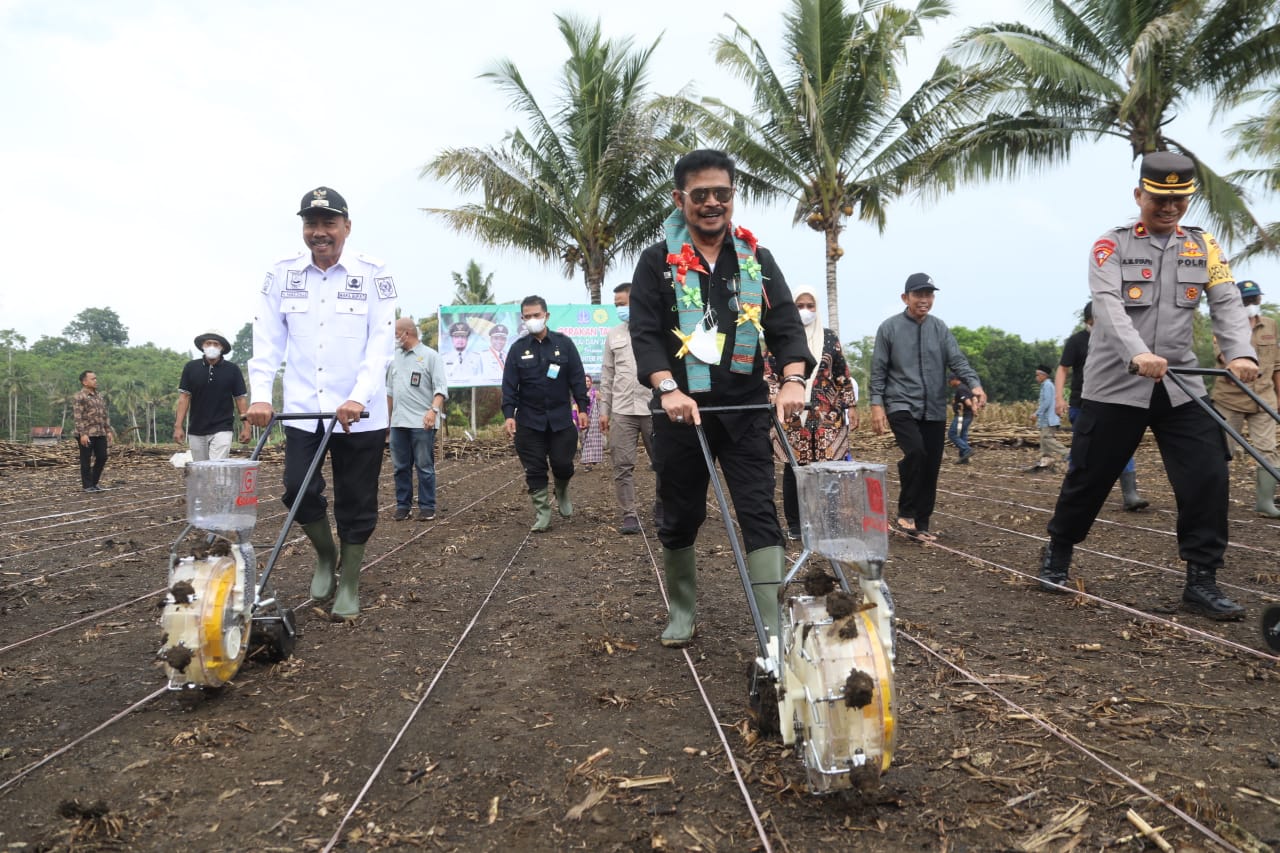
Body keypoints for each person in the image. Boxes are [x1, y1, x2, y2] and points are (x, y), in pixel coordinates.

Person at [1039, 152, 1256, 621]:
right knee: (1089, 477)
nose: (1170, 207)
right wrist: (1137, 353)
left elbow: (1226, 302)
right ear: (1140, 195)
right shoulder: (1110, 246)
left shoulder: (1205, 248)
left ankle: (1202, 581)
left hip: (1180, 385)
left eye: (1179, 199)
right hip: (1116, 385)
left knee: (1208, 477)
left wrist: (1240, 352)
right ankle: (1058, 552)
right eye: (1160, 198)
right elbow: (1109, 306)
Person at [629, 148, 813, 648]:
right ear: (680, 199)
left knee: (759, 511)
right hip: (681, 413)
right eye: (701, 194)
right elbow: (645, 335)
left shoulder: (756, 258)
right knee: (682, 510)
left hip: (746, 410)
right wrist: (667, 388)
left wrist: (793, 380)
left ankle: (772, 626)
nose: (712, 203)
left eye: (722, 194)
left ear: (733, 197)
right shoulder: (656, 263)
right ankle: (683, 608)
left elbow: (785, 329)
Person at [246, 186, 397, 621]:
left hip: (359, 414)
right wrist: (260, 396)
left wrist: (358, 396)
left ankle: (349, 580)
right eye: (311, 224)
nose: (319, 232)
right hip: (303, 410)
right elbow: (268, 341)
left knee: (356, 500)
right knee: (297, 491)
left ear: (346, 227)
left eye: (328, 223)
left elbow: (380, 344)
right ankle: (325, 554)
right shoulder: (282, 275)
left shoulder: (373, 274)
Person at [869, 274, 986, 542]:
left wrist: (975, 385)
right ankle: (906, 511)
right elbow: (878, 371)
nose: (924, 300)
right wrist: (877, 405)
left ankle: (920, 525)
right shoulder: (889, 328)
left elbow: (958, 361)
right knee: (916, 453)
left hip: (933, 407)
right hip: (900, 403)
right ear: (905, 298)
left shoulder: (939, 328)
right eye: (918, 294)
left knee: (931, 466)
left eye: (929, 295)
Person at [766, 284, 857, 540]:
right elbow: (769, 374)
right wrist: (776, 396)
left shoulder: (830, 338)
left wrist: (851, 405)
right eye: (799, 305)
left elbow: (841, 375)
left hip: (827, 417)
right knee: (795, 470)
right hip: (793, 417)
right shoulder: (780, 339)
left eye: (810, 305)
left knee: (828, 471)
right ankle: (796, 526)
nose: (805, 310)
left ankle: (829, 523)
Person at [502, 295, 590, 531]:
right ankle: (542, 513)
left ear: (546, 316)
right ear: (522, 319)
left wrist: (583, 408)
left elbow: (577, 379)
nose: (532, 320)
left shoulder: (564, 344)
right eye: (527, 317)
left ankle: (561, 489)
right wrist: (509, 415)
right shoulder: (518, 349)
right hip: (529, 421)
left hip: (561, 419)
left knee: (563, 464)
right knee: (535, 468)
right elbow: (509, 386)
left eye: (536, 315)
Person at [1055, 301, 1148, 510]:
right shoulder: (1077, 341)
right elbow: (1063, 369)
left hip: (1117, 400)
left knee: (1124, 446)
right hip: (1083, 403)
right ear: (1090, 320)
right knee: (1084, 450)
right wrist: (1059, 398)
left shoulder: (1125, 340)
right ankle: (1074, 497)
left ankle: (1130, 494)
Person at [1211, 280, 1280, 517]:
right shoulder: (1223, 327)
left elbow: (1277, 364)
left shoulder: (1270, 325)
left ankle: (1265, 502)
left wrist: (1279, 397)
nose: (1251, 303)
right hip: (1230, 400)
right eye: (1246, 299)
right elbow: (1223, 358)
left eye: (1254, 298)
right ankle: (1212, 501)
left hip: (1264, 399)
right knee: (1221, 450)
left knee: (1268, 449)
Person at [599, 282, 662, 535]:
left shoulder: (657, 330)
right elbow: (607, 374)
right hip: (623, 410)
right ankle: (629, 514)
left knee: (663, 462)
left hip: (654, 408)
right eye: (617, 305)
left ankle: (663, 506)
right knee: (622, 464)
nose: (620, 309)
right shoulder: (613, 334)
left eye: (623, 303)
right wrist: (604, 410)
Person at [388, 317, 448, 521]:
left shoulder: (430, 357)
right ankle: (403, 505)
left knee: (424, 466)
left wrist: (433, 411)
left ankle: (427, 506)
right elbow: (389, 392)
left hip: (422, 422)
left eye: (396, 332)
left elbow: (440, 389)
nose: (394, 336)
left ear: (407, 333)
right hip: (398, 422)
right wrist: (387, 422)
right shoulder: (393, 357)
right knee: (400, 467)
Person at [174, 332, 252, 461]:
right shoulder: (191, 368)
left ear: (222, 348)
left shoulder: (232, 370)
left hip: (222, 427)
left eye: (216, 344)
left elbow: (240, 399)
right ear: (202, 346)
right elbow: (184, 398)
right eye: (208, 343)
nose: (212, 346)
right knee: (201, 469)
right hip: (196, 428)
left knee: (217, 467)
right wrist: (178, 426)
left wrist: (247, 427)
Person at [72, 370, 114, 492]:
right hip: (86, 434)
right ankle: (87, 485)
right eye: (93, 379)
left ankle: (94, 482)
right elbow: (78, 416)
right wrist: (83, 434)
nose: (96, 381)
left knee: (102, 457)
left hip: (100, 432)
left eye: (96, 378)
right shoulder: (79, 396)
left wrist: (108, 430)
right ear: (85, 382)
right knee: (86, 459)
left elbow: (104, 414)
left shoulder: (99, 396)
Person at [1033, 365, 1070, 468]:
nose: (1036, 377)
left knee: (1047, 438)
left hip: (1049, 418)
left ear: (1043, 375)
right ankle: (1045, 459)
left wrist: (1037, 413)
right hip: (1046, 419)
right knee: (1043, 439)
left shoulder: (1047, 385)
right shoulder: (1046, 385)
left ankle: (1067, 452)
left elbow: (1047, 402)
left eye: (1037, 375)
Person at [947, 374, 976, 464]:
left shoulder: (960, 389)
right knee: (963, 435)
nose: (949, 383)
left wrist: (963, 405)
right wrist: (974, 410)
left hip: (962, 415)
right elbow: (974, 398)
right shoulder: (965, 387)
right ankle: (964, 458)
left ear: (954, 380)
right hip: (968, 415)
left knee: (952, 434)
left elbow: (968, 402)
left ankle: (967, 449)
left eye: (949, 381)